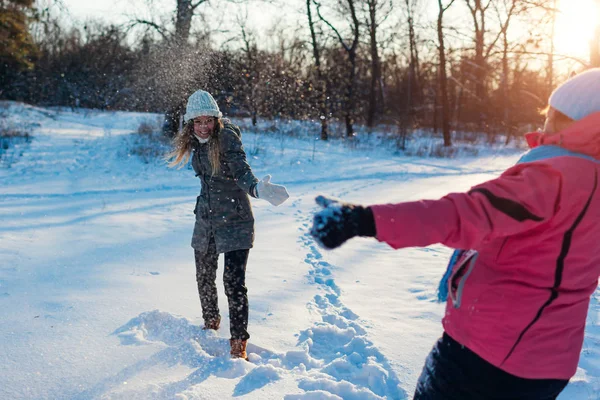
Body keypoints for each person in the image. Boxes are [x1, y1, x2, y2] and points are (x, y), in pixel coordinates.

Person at [310, 68, 600, 399]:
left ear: (575, 122)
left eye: (553, 115)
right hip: (548, 362)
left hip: (489, 356)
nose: (543, 123)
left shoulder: (557, 177)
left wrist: (362, 219)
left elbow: (461, 215)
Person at [167, 89, 289, 360]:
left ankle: (238, 342)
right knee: (203, 276)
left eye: (207, 120)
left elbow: (242, 171)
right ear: (190, 123)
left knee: (233, 283)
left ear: (216, 118)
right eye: (197, 122)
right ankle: (210, 321)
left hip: (234, 219)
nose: (203, 126)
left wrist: (257, 189)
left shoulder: (226, 137)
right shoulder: (195, 142)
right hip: (207, 219)